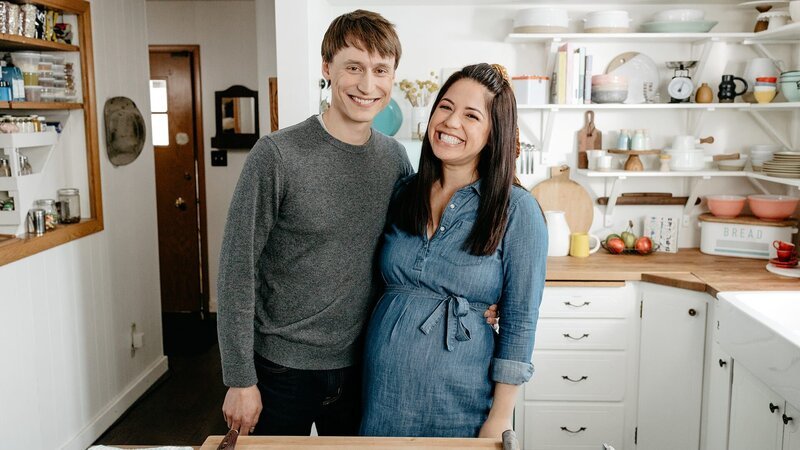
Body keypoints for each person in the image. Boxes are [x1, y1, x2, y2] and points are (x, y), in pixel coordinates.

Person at [216, 11, 499, 437]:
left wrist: (478, 302)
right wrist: (239, 378)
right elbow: (236, 270)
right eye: (354, 67)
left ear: (392, 77)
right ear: (327, 68)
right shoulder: (275, 155)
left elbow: (412, 256)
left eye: (380, 70)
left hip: (365, 367)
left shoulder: (395, 161)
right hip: (280, 370)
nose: (368, 85)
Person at [360, 63, 548, 438]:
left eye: (471, 115)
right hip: (380, 395)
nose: (450, 122)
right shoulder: (403, 192)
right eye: (445, 107)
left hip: (461, 399)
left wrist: (500, 416)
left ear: (494, 134)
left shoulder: (517, 209)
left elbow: (521, 320)